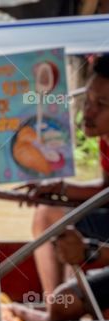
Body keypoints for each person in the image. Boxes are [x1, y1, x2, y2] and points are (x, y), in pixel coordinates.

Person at [24, 54, 109, 299]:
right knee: (46, 212)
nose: (88, 112)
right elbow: (106, 188)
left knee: (62, 223)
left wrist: (62, 191)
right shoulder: (105, 141)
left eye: (101, 105)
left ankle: (63, 304)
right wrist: (57, 189)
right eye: (88, 101)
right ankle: (56, 300)